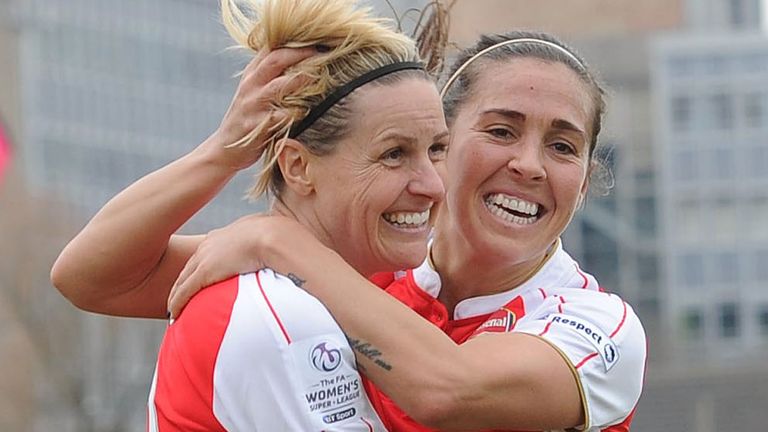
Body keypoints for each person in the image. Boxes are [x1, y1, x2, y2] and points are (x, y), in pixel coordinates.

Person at [51, 15, 646, 432]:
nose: (528, 164)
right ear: (443, 142)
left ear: (586, 179)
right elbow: (93, 277)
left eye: (564, 147)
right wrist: (224, 152)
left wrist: (277, 238)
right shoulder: (374, 253)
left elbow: (449, 391)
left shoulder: (600, 325)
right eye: (500, 130)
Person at [53, 0, 451, 430]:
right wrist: (221, 151)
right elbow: (88, 277)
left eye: (437, 149)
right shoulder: (273, 311)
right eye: (394, 155)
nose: (433, 185)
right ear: (298, 167)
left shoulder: (353, 273)